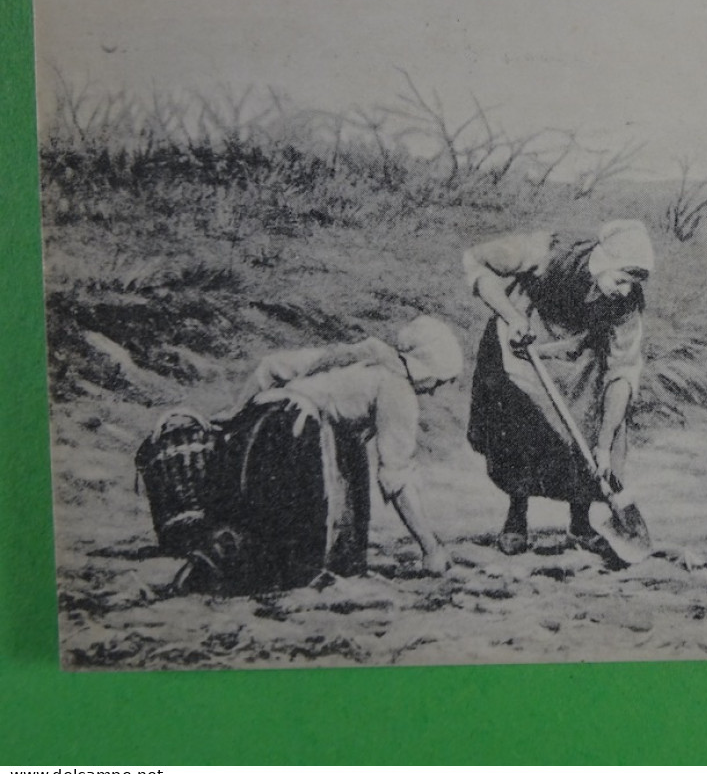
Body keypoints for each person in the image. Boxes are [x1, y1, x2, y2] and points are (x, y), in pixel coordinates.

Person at [463, 219, 651, 556]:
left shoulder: (627, 303)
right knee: (520, 429)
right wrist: (512, 317)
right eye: (620, 279)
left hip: (577, 355)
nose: (624, 290)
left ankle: (580, 523)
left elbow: (623, 370)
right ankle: (516, 516)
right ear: (602, 261)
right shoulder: (547, 251)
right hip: (524, 344)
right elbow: (475, 260)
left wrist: (605, 445)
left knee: (592, 426)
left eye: (630, 284)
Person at [226, 315, 463, 580]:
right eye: (439, 382)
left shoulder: (356, 356)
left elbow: (269, 367)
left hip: (265, 423)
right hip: (298, 432)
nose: (432, 392)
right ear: (425, 370)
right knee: (305, 555)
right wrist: (430, 548)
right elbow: (396, 477)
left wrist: (234, 417)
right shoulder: (398, 388)